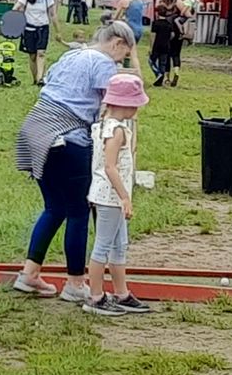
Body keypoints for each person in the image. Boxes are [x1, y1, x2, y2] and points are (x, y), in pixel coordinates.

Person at [12, 21, 138, 299]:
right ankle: (75, 284)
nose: (121, 61)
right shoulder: (103, 63)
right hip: (66, 137)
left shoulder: (72, 54)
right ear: (116, 43)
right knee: (79, 211)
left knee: (54, 207)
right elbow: (114, 107)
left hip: (34, 130)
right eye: (124, 54)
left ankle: (29, 274)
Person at [84, 73, 152, 316]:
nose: (137, 109)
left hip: (109, 194)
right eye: (134, 104)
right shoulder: (116, 131)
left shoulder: (107, 124)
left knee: (119, 244)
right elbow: (110, 166)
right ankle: (95, 296)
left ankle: (121, 293)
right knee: (103, 245)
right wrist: (124, 196)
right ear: (122, 104)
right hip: (109, 196)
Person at [14, 0, 60, 86]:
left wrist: (58, 30)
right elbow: (17, 7)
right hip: (29, 28)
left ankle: (40, 78)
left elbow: (53, 15)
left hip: (43, 28)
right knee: (32, 55)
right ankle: (35, 78)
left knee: (41, 53)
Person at [147, 0, 184, 88]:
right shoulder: (178, 1)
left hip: (162, 31)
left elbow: (155, 13)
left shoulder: (159, 1)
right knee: (176, 53)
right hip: (175, 28)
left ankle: (166, 77)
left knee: (165, 54)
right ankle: (176, 71)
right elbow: (185, 13)